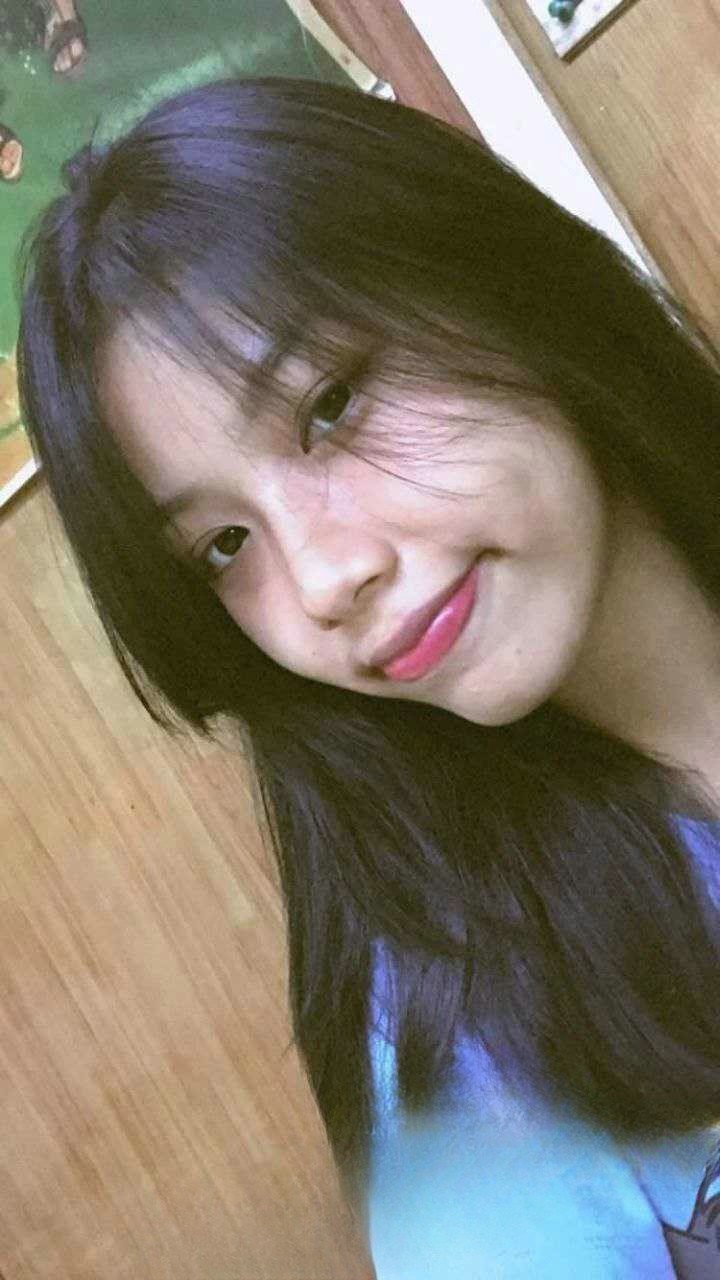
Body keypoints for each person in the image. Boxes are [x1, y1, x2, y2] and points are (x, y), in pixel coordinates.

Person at [14, 77, 720, 1278]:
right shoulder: (467, 1052)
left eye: (330, 404)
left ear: (497, 278)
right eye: (221, 547)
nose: (326, 575)